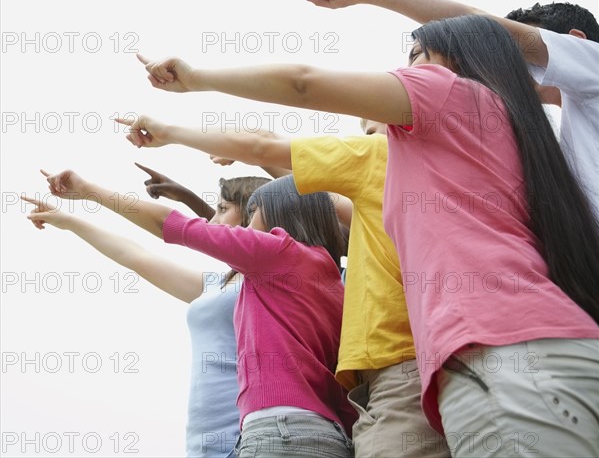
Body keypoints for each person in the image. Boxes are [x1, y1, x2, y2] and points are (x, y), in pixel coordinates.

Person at [132, 12, 599, 457]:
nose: (403, 69)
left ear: (451, 60)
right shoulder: (513, 136)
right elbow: (298, 181)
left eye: (415, 55)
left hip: (491, 356)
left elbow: (297, 96)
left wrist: (194, 84)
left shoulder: (421, 117)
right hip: (547, 345)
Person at [116, 115, 449, 457]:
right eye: (365, 130)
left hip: (289, 425)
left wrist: (95, 192)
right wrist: (196, 189)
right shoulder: (326, 272)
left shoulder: (292, 257)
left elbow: (297, 201)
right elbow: (301, 204)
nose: (373, 135)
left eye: (241, 210)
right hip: (338, 418)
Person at [25, 171, 356, 458]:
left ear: (281, 217)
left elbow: (173, 226)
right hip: (325, 433)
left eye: (252, 214)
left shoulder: (278, 252)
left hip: (279, 430)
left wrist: (89, 191)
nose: (246, 226)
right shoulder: (329, 281)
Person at [294, 0, 599, 220]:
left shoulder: (594, 63)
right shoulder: (563, 136)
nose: (510, 65)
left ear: (574, 42)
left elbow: (475, 24)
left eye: (521, 52)